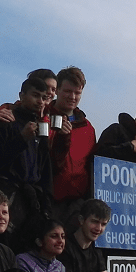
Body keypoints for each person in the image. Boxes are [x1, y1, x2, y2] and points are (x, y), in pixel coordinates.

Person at [0, 78, 53, 252]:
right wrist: (21, 139)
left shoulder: (41, 126)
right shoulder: (6, 119)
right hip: (6, 194)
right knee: (3, 248)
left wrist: (46, 205)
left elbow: (44, 169)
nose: (40, 101)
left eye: (44, 98)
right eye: (35, 95)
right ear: (21, 95)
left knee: (28, 252)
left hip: (31, 199)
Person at [47, 66, 95, 226]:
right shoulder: (43, 116)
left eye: (77, 92)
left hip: (78, 202)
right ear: (57, 90)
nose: (72, 97)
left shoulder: (88, 128)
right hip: (48, 198)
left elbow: (90, 165)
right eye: (67, 91)